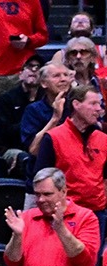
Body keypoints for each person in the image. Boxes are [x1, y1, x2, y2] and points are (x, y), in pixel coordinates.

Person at [35, 87, 107, 232]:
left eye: (100, 104)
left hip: (98, 213)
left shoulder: (103, 139)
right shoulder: (54, 137)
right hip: (65, 213)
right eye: (93, 104)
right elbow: (41, 179)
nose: (98, 109)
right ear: (76, 105)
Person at [0, 0, 47, 123]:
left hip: (23, 70)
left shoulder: (33, 2)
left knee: (26, 121)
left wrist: (28, 40)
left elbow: (43, 35)